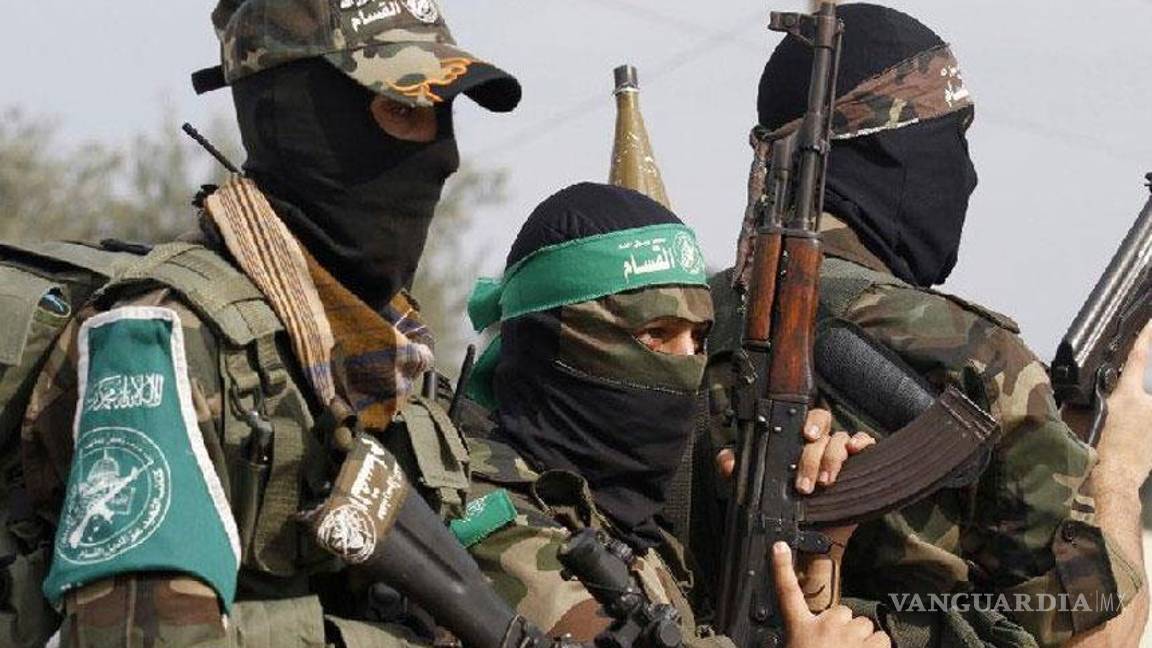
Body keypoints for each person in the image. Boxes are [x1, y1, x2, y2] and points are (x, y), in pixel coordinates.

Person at [16, 0, 522, 645]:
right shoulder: (165, 340)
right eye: (402, 112)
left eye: (443, 117)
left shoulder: (388, 355)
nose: (442, 156)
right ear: (296, 119)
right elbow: (135, 638)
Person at [704, 4, 1146, 647]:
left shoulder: (688, 320)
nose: (966, 175)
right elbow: (1097, 638)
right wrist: (1119, 469)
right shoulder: (972, 354)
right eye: (950, 140)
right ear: (893, 152)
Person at [457, 181, 889, 648]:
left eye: (699, 339)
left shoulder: (638, 534)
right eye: (656, 334)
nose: (688, 364)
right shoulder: (493, 523)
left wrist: (807, 554)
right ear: (557, 344)